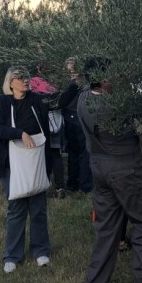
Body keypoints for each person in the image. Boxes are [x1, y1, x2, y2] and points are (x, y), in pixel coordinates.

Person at [78, 58, 142, 283]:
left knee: (106, 229)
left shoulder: (84, 98)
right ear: (104, 81)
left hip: (99, 168)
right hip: (126, 170)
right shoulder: (116, 106)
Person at [0, 65, 52, 273]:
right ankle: (12, 255)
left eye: (26, 77)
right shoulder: (3, 102)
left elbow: (53, 111)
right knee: (16, 209)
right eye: (19, 77)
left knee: (39, 208)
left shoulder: (36, 101)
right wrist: (19, 133)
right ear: (10, 83)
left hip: (35, 162)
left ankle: (41, 251)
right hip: (11, 164)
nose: (25, 80)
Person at [30, 63, 66, 199]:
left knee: (40, 157)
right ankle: (60, 187)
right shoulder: (54, 85)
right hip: (55, 125)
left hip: (39, 126)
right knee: (56, 156)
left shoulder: (32, 83)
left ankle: (43, 187)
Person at [60, 57, 93, 194]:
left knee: (76, 152)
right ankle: (81, 185)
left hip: (72, 118)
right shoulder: (81, 84)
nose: (71, 73)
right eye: (70, 71)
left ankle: (75, 184)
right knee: (80, 152)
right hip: (74, 119)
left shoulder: (74, 84)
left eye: (73, 70)